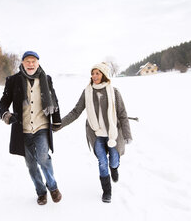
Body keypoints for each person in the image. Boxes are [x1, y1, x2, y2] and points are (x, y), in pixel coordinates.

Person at [53, 62, 132, 203]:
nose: (94, 76)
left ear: (104, 75)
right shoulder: (87, 92)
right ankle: (107, 192)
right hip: (96, 135)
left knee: (114, 160)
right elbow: (76, 112)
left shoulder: (114, 92)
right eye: (93, 73)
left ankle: (114, 168)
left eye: (97, 73)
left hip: (113, 134)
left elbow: (122, 114)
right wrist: (59, 125)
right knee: (102, 162)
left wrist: (127, 134)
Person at [0, 51, 62, 205]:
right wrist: (6, 114)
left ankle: (52, 187)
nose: (31, 64)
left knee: (42, 157)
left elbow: (54, 99)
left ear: (38, 63)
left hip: (41, 127)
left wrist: (57, 120)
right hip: (23, 129)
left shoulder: (46, 79)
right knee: (31, 164)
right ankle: (41, 192)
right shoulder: (13, 80)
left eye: (34, 61)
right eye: (28, 61)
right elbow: (3, 102)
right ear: (22, 63)